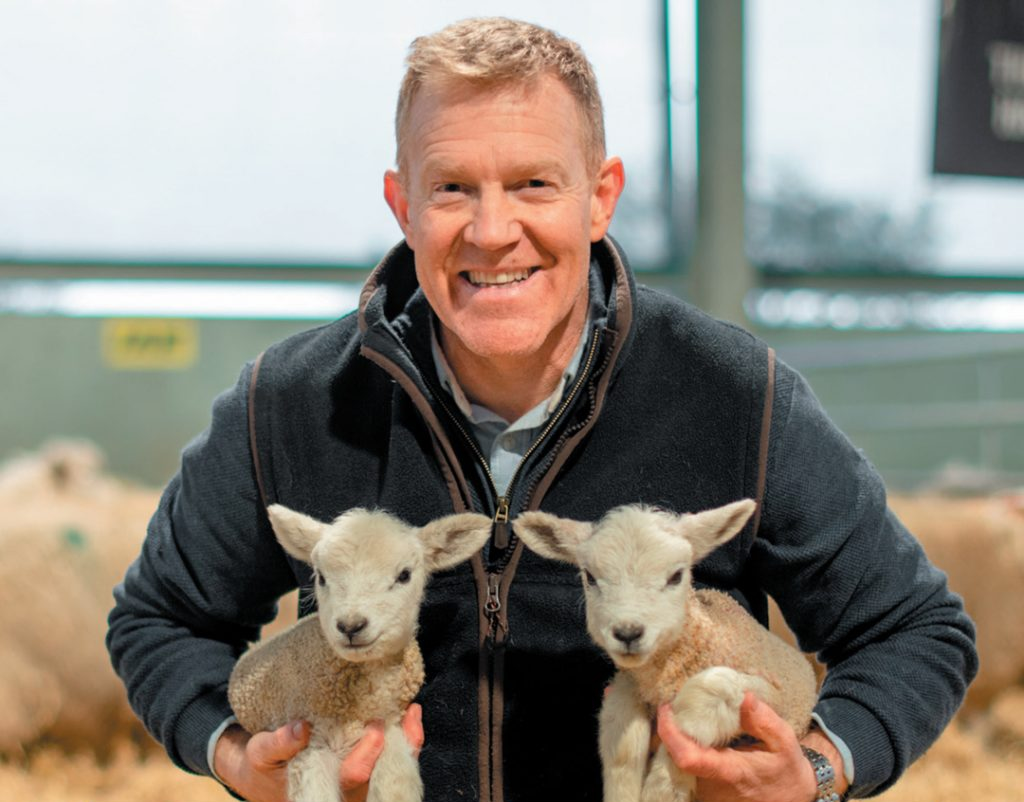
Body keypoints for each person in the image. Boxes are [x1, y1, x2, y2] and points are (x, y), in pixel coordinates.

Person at [107, 17, 977, 802]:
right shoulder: (290, 402)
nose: (492, 231)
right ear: (401, 203)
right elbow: (158, 618)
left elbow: (915, 629)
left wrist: (817, 771)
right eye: (451, 188)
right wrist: (231, 755)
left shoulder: (735, 394)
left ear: (600, 197)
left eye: (533, 184)